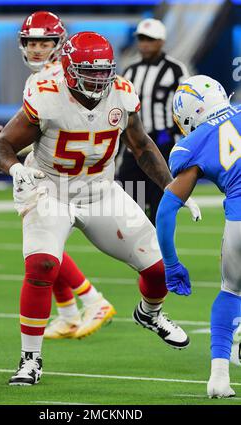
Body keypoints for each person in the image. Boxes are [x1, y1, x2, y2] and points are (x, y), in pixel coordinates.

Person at [0, 31, 200, 386]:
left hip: (101, 192)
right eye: (91, 71)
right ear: (70, 70)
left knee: (159, 270)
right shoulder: (46, 95)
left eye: (105, 71)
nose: (100, 79)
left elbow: (142, 146)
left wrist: (172, 188)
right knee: (41, 265)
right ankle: (30, 359)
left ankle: (150, 314)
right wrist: (17, 169)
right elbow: (2, 145)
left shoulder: (120, 91)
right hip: (51, 191)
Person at [0, 11, 116, 340]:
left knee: (42, 246)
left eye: (45, 42)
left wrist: (5, 148)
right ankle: (68, 312)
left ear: (59, 43)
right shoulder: (53, 75)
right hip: (68, 166)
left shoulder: (53, 78)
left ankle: (91, 298)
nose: (37, 49)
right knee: (42, 249)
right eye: (32, 42)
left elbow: (54, 138)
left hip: (66, 173)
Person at [156, 75, 241, 398]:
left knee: (231, 291)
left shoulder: (194, 142)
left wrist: (171, 263)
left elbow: (165, 210)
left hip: (239, 221)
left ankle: (219, 376)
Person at [117, 18, 189, 224]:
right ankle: (136, 250)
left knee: (161, 205)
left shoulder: (175, 70)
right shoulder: (130, 71)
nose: (145, 43)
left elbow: (186, 105)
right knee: (130, 205)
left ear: (161, 41)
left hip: (163, 144)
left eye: (150, 39)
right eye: (141, 39)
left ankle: (160, 252)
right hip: (133, 148)